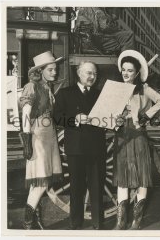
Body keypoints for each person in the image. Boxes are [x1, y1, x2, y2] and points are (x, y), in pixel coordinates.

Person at [113, 50, 160, 230]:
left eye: (130, 70)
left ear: (137, 73)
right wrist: (116, 119)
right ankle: (120, 222)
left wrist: (145, 116)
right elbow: (109, 114)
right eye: (123, 70)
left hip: (138, 136)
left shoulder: (144, 89)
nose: (126, 74)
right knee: (123, 179)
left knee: (142, 177)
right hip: (121, 136)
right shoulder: (116, 89)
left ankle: (136, 222)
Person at [53, 61, 106, 230]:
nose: (92, 77)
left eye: (95, 74)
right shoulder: (65, 93)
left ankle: (98, 224)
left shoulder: (100, 94)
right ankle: (75, 224)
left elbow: (108, 118)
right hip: (75, 148)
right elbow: (56, 117)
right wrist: (74, 119)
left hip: (96, 147)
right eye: (89, 73)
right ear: (79, 73)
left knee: (97, 186)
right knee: (76, 187)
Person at [19, 51, 64, 229]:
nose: (55, 72)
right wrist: (27, 139)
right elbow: (25, 113)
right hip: (38, 134)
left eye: (56, 69)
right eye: (51, 69)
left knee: (39, 181)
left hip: (48, 134)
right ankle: (28, 223)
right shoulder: (32, 86)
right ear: (41, 71)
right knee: (41, 181)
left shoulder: (46, 87)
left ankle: (33, 221)